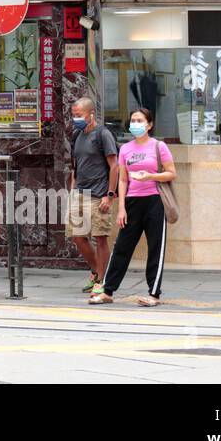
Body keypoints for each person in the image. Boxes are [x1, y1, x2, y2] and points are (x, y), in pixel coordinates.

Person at [91, 107, 174, 306]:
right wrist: (121, 207)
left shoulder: (158, 146)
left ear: (150, 124)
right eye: (133, 120)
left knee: (155, 247)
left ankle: (154, 294)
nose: (136, 124)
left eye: (140, 120)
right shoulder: (126, 149)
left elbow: (171, 173)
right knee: (122, 246)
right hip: (132, 201)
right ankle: (108, 291)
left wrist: (151, 176)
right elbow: (123, 180)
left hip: (155, 200)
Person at [67, 97, 119, 297]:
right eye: (73, 115)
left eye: (78, 115)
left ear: (91, 114)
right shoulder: (77, 134)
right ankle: (96, 271)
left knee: (100, 238)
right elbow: (75, 168)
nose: (75, 119)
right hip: (79, 193)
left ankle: (101, 281)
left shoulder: (103, 134)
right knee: (78, 237)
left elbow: (115, 166)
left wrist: (110, 195)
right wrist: (72, 191)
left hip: (99, 195)